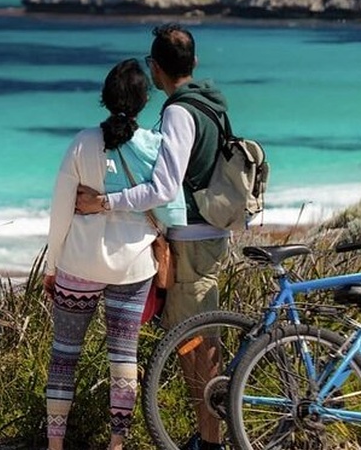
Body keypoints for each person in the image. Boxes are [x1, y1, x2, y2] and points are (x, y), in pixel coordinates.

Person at [75, 23, 231, 450]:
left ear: (155, 67)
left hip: (193, 236)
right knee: (201, 337)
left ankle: (210, 441)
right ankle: (209, 436)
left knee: (194, 342)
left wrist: (104, 203)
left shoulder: (180, 112)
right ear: (194, 63)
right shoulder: (211, 104)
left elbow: (164, 188)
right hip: (210, 233)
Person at [44, 58, 185, 450]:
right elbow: (169, 204)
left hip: (78, 263)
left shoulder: (81, 143)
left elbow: (60, 213)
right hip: (134, 264)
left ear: (104, 98)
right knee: (124, 358)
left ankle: (55, 445)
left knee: (63, 357)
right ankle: (117, 444)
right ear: (144, 101)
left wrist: (52, 265)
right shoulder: (154, 146)